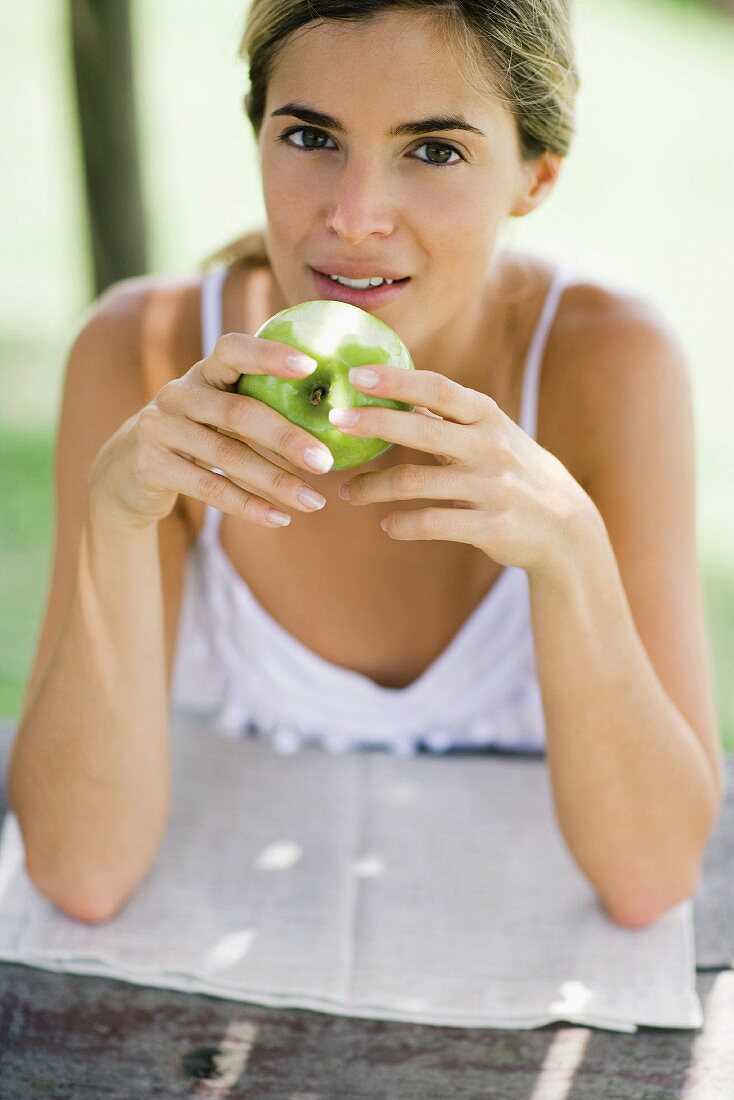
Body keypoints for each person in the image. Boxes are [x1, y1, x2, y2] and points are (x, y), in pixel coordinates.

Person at [7, 1, 723, 930]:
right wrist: (113, 519)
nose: (352, 219)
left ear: (535, 176)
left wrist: (570, 553)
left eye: (433, 150)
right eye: (310, 135)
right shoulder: (140, 359)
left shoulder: (607, 365)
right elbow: (78, 871)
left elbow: (652, 879)